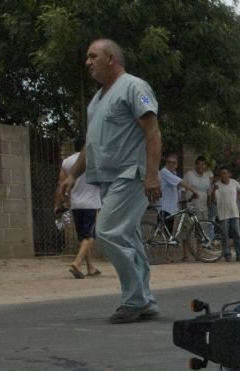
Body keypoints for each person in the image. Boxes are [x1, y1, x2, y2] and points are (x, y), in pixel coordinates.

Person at [57, 38, 162, 324]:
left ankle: (135, 299)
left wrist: (152, 174)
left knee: (108, 232)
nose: (87, 62)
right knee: (128, 237)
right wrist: (73, 175)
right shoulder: (97, 100)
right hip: (108, 180)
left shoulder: (134, 87)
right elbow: (91, 147)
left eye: (93, 56)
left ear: (111, 59)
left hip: (132, 175)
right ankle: (145, 300)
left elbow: (152, 131)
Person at [56, 136, 102, 279]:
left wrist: (62, 201)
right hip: (91, 203)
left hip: (75, 204)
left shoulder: (67, 162)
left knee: (83, 237)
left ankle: (90, 268)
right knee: (90, 236)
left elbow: (61, 183)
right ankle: (77, 263)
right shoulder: (94, 160)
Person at [158, 154, 200, 261]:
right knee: (164, 233)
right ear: (165, 163)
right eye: (169, 162)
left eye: (173, 162)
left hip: (172, 208)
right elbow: (181, 183)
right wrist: (194, 191)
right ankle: (163, 256)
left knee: (169, 234)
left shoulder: (174, 173)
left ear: (176, 165)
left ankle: (166, 256)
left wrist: (185, 199)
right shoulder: (164, 172)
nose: (171, 164)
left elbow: (178, 191)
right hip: (164, 207)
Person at [212, 166, 240, 262]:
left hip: (234, 212)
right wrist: (214, 190)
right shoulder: (217, 185)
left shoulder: (234, 182)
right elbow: (213, 200)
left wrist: (238, 199)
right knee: (225, 235)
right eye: (221, 174)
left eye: (225, 173)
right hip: (223, 214)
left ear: (229, 174)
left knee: (237, 234)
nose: (223, 175)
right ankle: (227, 255)